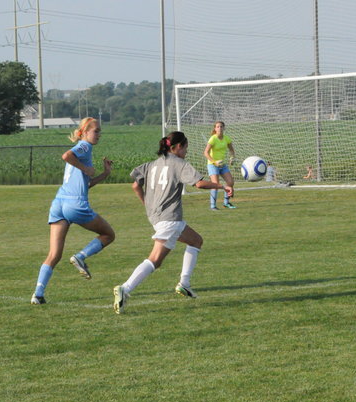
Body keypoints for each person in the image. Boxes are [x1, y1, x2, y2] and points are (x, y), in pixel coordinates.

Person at [113, 131, 234, 314]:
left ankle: (184, 283)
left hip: (158, 217)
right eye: (185, 148)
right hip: (169, 218)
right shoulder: (179, 164)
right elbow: (199, 183)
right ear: (177, 147)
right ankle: (125, 288)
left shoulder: (152, 164)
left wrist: (146, 203)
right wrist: (222, 186)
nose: (186, 151)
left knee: (196, 240)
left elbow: (135, 185)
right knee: (155, 260)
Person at [31, 117, 115, 305]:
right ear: (84, 132)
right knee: (108, 234)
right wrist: (86, 168)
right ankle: (80, 257)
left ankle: (38, 294)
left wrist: (104, 174)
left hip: (58, 204)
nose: (99, 135)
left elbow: (86, 184)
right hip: (74, 204)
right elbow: (66, 155)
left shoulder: (83, 150)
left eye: (100, 131)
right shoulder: (85, 146)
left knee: (54, 255)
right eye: (96, 131)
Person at [203, 121, 236, 210]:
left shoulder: (227, 138)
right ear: (215, 128)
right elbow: (205, 153)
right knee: (215, 184)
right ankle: (213, 206)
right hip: (212, 165)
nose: (220, 128)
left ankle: (226, 203)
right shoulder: (213, 139)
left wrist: (232, 158)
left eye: (221, 126)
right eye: (218, 127)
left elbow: (232, 150)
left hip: (222, 164)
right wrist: (214, 162)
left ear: (224, 128)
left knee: (230, 182)